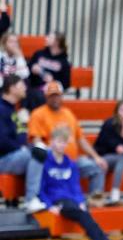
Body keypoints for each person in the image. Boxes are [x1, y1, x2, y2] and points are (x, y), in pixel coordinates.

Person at [37, 126, 123, 240]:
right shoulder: (45, 163)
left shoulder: (71, 164)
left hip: (72, 201)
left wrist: (80, 201)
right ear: (51, 142)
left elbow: (75, 187)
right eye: (59, 141)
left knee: (84, 212)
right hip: (58, 202)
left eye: (64, 142)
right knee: (83, 215)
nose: (61, 145)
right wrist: (49, 206)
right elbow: (41, 189)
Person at [28, 80, 107, 204]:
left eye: (57, 95)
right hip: (53, 163)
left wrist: (96, 157)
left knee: (97, 167)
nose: (55, 99)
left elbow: (80, 139)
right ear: (46, 97)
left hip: (73, 161)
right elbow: (36, 140)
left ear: (61, 96)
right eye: (52, 96)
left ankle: (94, 202)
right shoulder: (38, 114)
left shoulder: (68, 114)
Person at [0, 75, 43, 210]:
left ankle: (42, 198)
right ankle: (31, 200)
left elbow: (21, 137)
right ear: (12, 88)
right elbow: (2, 141)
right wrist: (21, 148)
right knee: (37, 153)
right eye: (21, 85)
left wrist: (23, 124)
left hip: (13, 156)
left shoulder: (12, 109)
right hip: (3, 159)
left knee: (43, 152)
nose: (25, 88)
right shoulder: (1, 109)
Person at [26, 31, 70, 109]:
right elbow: (27, 69)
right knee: (31, 93)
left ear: (57, 41)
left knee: (40, 96)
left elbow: (66, 84)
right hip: (34, 86)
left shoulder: (64, 62)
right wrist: (32, 68)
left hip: (50, 91)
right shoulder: (39, 54)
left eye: (49, 37)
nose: (46, 39)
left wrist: (53, 80)